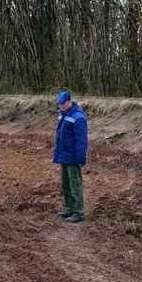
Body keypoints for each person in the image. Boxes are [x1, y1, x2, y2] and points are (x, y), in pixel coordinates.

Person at [51, 89, 89, 223]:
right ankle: (68, 208)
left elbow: (81, 140)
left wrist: (80, 158)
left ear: (69, 102)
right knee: (66, 185)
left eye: (62, 104)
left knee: (75, 185)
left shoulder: (78, 117)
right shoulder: (62, 115)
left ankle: (78, 211)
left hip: (73, 157)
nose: (60, 106)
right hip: (63, 155)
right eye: (59, 104)